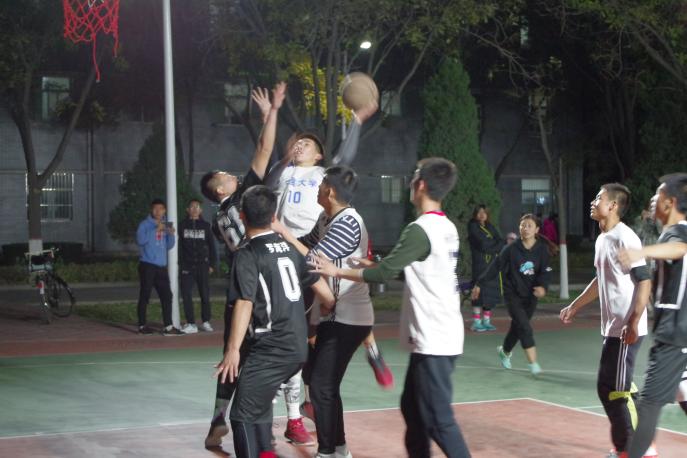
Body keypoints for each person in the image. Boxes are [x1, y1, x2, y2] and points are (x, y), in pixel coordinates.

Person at [310, 158, 471, 458]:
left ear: (420, 185)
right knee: (412, 409)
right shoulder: (444, 225)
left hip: (435, 336)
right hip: (440, 331)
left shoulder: (420, 229)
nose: (410, 183)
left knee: (438, 420)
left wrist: (337, 270)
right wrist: (376, 264)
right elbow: (411, 266)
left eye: (413, 177)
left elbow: (383, 274)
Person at [265, 98, 392, 444]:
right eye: (298, 142)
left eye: (308, 144)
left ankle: (371, 351)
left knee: (338, 303)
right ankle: (315, 423)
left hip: (320, 253)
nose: (301, 145)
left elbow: (344, 161)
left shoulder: (326, 182)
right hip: (300, 249)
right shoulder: (286, 173)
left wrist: (357, 121)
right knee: (308, 335)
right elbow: (267, 171)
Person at [213, 185, 335, 458]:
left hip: (271, 349)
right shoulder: (291, 249)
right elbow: (326, 294)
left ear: (242, 216)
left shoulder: (247, 253)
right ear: (273, 216)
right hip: (296, 348)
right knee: (258, 410)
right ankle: (267, 452)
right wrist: (327, 307)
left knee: (242, 416)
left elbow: (244, 302)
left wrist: (232, 350)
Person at [201, 82, 285, 450]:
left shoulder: (219, 217)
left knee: (233, 356)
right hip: (259, 287)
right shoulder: (242, 199)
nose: (230, 174)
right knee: (266, 353)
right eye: (223, 175)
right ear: (220, 190)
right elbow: (264, 149)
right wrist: (272, 112)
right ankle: (260, 424)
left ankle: (218, 421)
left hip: (240, 288)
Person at [273, 165, 375, 458]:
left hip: (350, 315)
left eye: (319, 185)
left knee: (321, 384)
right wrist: (275, 235)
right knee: (321, 381)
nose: (316, 190)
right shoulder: (326, 217)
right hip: (334, 314)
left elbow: (313, 259)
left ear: (329, 190)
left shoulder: (348, 222)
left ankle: (329, 451)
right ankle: (338, 448)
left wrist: (285, 234)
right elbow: (304, 243)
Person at [559, 183, 652, 457]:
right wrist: (574, 305)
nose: (592, 201)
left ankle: (630, 450)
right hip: (612, 328)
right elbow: (600, 280)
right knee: (612, 388)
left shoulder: (626, 238)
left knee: (615, 392)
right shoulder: (603, 239)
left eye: (598, 198)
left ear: (612, 205)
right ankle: (638, 443)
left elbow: (644, 281)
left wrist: (633, 321)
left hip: (626, 328)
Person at [616, 174, 687, 458]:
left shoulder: (677, 233)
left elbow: (680, 249)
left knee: (648, 405)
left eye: (658, 195)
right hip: (679, 333)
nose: (653, 199)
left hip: (675, 336)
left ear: (670, 203)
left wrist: (641, 251)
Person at [472, 213, 551, 375]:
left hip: (531, 296)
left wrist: (543, 287)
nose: (525, 228)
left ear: (536, 229)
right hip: (512, 294)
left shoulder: (542, 250)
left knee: (517, 327)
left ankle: (505, 351)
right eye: (523, 225)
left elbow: (545, 271)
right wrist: (479, 283)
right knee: (525, 327)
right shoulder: (511, 249)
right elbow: (495, 266)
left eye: (529, 225)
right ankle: (533, 364)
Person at [135, 198, 181, 336]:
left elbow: (169, 245)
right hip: (147, 265)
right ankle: (142, 325)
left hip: (161, 267)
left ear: (164, 210)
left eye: (161, 209)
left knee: (167, 295)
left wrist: (171, 235)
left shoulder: (166, 223)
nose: (158, 211)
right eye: (155, 209)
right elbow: (140, 240)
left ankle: (168, 326)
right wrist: (156, 229)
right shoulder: (144, 224)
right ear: (151, 210)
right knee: (145, 295)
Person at [178, 198, 218, 334]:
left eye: (197, 207)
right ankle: (191, 323)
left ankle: (206, 321)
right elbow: (179, 246)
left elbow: (212, 246)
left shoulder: (206, 226)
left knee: (205, 294)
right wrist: (180, 263)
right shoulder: (182, 225)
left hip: (202, 265)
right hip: (187, 266)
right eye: (192, 207)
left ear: (201, 210)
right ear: (187, 210)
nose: (195, 209)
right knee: (186, 294)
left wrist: (212, 264)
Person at [467, 204, 503, 332]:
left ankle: (487, 321)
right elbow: (483, 244)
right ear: (475, 214)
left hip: (492, 265)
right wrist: (495, 246)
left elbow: (501, 241)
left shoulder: (490, 227)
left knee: (490, 292)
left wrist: (493, 245)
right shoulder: (472, 226)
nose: (482, 215)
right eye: (479, 212)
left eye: (484, 212)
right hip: (480, 265)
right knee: (478, 293)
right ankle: (476, 322)